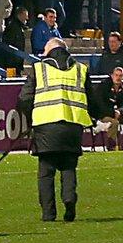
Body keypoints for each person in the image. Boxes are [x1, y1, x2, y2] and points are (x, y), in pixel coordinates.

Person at [21, 37, 90, 222]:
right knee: (68, 166)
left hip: (45, 124)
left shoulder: (39, 68)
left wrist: (30, 118)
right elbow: (91, 98)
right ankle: (69, 198)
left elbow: (24, 99)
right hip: (72, 124)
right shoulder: (80, 69)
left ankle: (48, 213)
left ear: (50, 50)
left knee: (46, 171)